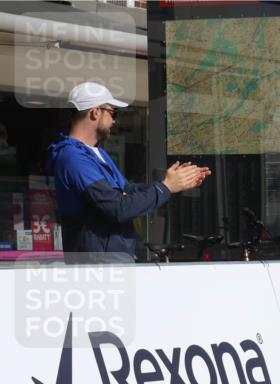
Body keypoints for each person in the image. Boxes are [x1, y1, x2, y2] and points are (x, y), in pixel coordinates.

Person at [47, 82, 210, 261]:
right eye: (112, 112)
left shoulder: (96, 152)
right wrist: (166, 187)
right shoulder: (73, 158)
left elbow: (127, 190)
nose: (114, 120)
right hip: (98, 268)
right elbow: (117, 208)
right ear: (95, 112)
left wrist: (171, 182)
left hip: (113, 262)